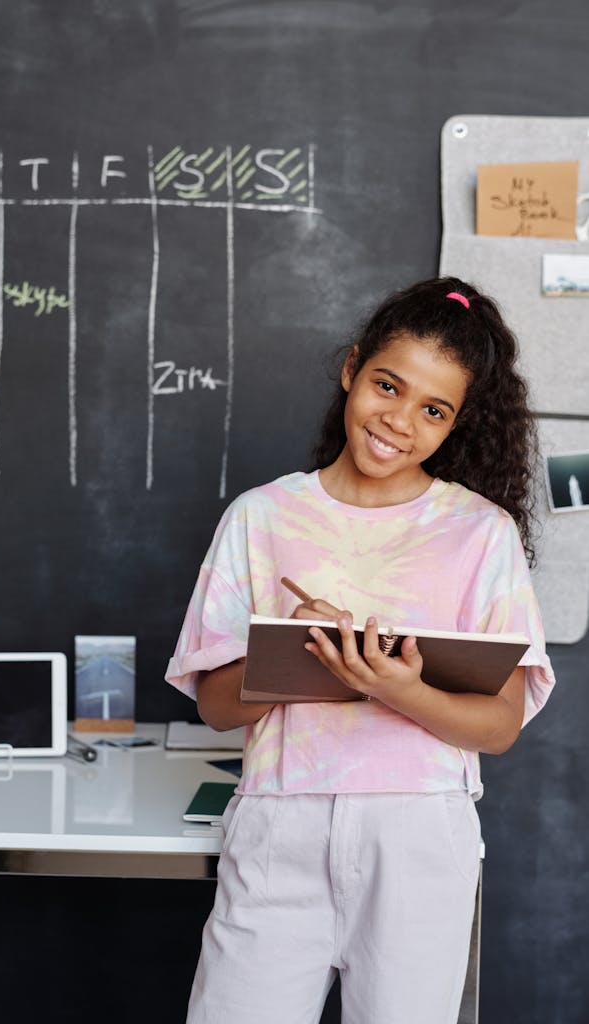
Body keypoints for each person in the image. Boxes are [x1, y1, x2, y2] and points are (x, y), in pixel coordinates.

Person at [166, 276, 555, 1024]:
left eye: (432, 409)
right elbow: (215, 705)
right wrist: (308, 654)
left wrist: (395, 687)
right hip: (281, 822)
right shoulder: (261, 516)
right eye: (387, 385)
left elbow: (499, 726)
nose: (398, 421)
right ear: (351, 370)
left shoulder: (479, 535)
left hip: (416, 833)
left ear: (454, 424)